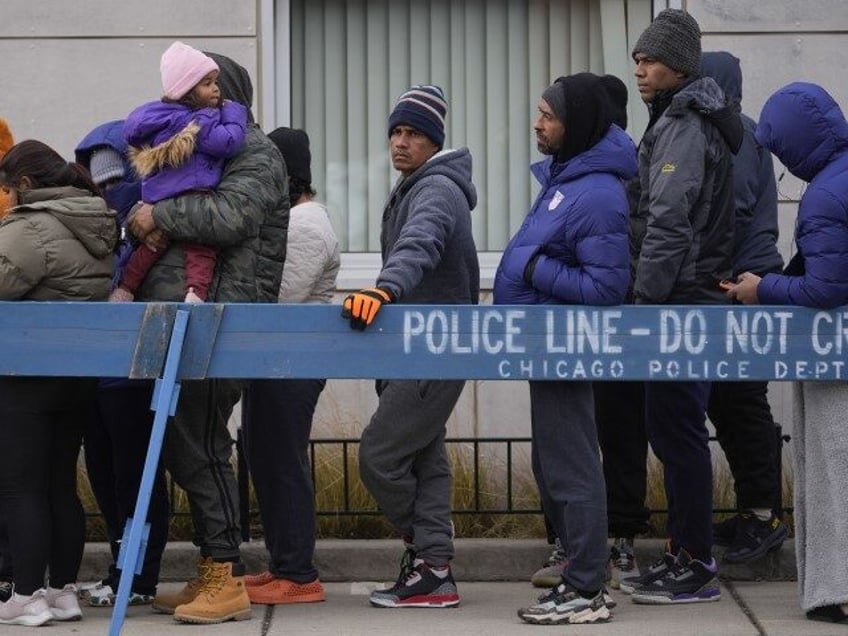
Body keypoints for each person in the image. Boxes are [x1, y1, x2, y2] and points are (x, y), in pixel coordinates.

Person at [126, 52, 289, 624]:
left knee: (201, 443)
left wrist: (158, 215)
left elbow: (231, 217)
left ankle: (226, 576)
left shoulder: (255, 151)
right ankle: (212, 570)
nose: (202, 96)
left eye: (212, 85)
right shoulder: (206, 145)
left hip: (222, 319)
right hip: (189, 318)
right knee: (187, 442)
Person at [495, 73, 636, 625]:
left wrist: (531, 266)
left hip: (563, 345)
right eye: (538, 112)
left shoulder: (598, 192)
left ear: (574, 125)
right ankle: (579, 577)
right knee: (557, 464)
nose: (538, 123)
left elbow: (606, 288)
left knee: (574, 466)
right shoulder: (568, 179)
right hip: (543, 343)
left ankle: (587, 588)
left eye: (548, 115)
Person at [621, 9, 743, 605]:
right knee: (670, 429)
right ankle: (682, 552)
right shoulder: (676, 116)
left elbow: (668, 220)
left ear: (678, 66)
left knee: (677, 429)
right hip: (682, 293)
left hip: (679, 298)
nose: (638, 70)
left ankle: (693, 562)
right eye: (638, 59)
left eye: (648, 60)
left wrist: (645, 298)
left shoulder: (686, 123)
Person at [343, 84, 479, 608]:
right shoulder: (415, 184)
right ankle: (435, 573)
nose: (401, 142)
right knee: (426, 460)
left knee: (379, 456)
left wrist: (384, 288)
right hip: (417, 349)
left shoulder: (437, 190)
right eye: (396, 131)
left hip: (433, 349)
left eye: (414, 133)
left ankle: (429, 554)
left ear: (434, 141)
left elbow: (420, 241)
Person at [726, 81, 848, 624]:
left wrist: (762, 288)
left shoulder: (824, 194)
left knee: (835, 470)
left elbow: (825, 290)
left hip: (836, 363)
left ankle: (839, 589)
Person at [0, 139, 117, 626]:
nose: (3, 199)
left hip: (26, 376)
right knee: (59, 486)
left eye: (5, 190)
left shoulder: (32, 227)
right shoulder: (94, 218)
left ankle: (25, 596)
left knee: (20, 488)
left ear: (25, 185)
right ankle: (61, 590)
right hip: (76, 375)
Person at [74, 120, 170, 607]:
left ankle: (139, 575)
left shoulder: (157, 223)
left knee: (136, 480)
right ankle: (120, 570)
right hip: (97, 374)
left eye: (117, 180)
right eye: (101, 182)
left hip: (135, 375)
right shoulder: (96, 225)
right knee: (107, 479)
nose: (110, 191)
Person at [241, 127, 339, 605]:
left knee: (283, 463)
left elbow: (279, 296)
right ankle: (284, 564)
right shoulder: (292, 220)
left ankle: (300, 574)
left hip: (294, 361)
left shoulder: (304, 226)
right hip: (275, 360)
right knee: (267, 457)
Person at [700, 51, 788, 564]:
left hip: (740, 286)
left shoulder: (733, 136)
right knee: (731, 404)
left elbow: (725, 210)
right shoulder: (740, 133)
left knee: (740, 403)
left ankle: (763, 517)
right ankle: (757, 513)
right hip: (737, 281)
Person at [113, 40, 247, 304]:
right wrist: (234, 112)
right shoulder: (202, 120)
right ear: (187, 90)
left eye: (216, 82)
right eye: (207, 83)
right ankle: (196, 292)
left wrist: (154, 214)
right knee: (201, 249)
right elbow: (229, 142)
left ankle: (125, 288)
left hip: (156, 197)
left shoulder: (158, 117)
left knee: (149, 249)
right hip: (194, 193)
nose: (216, 89)